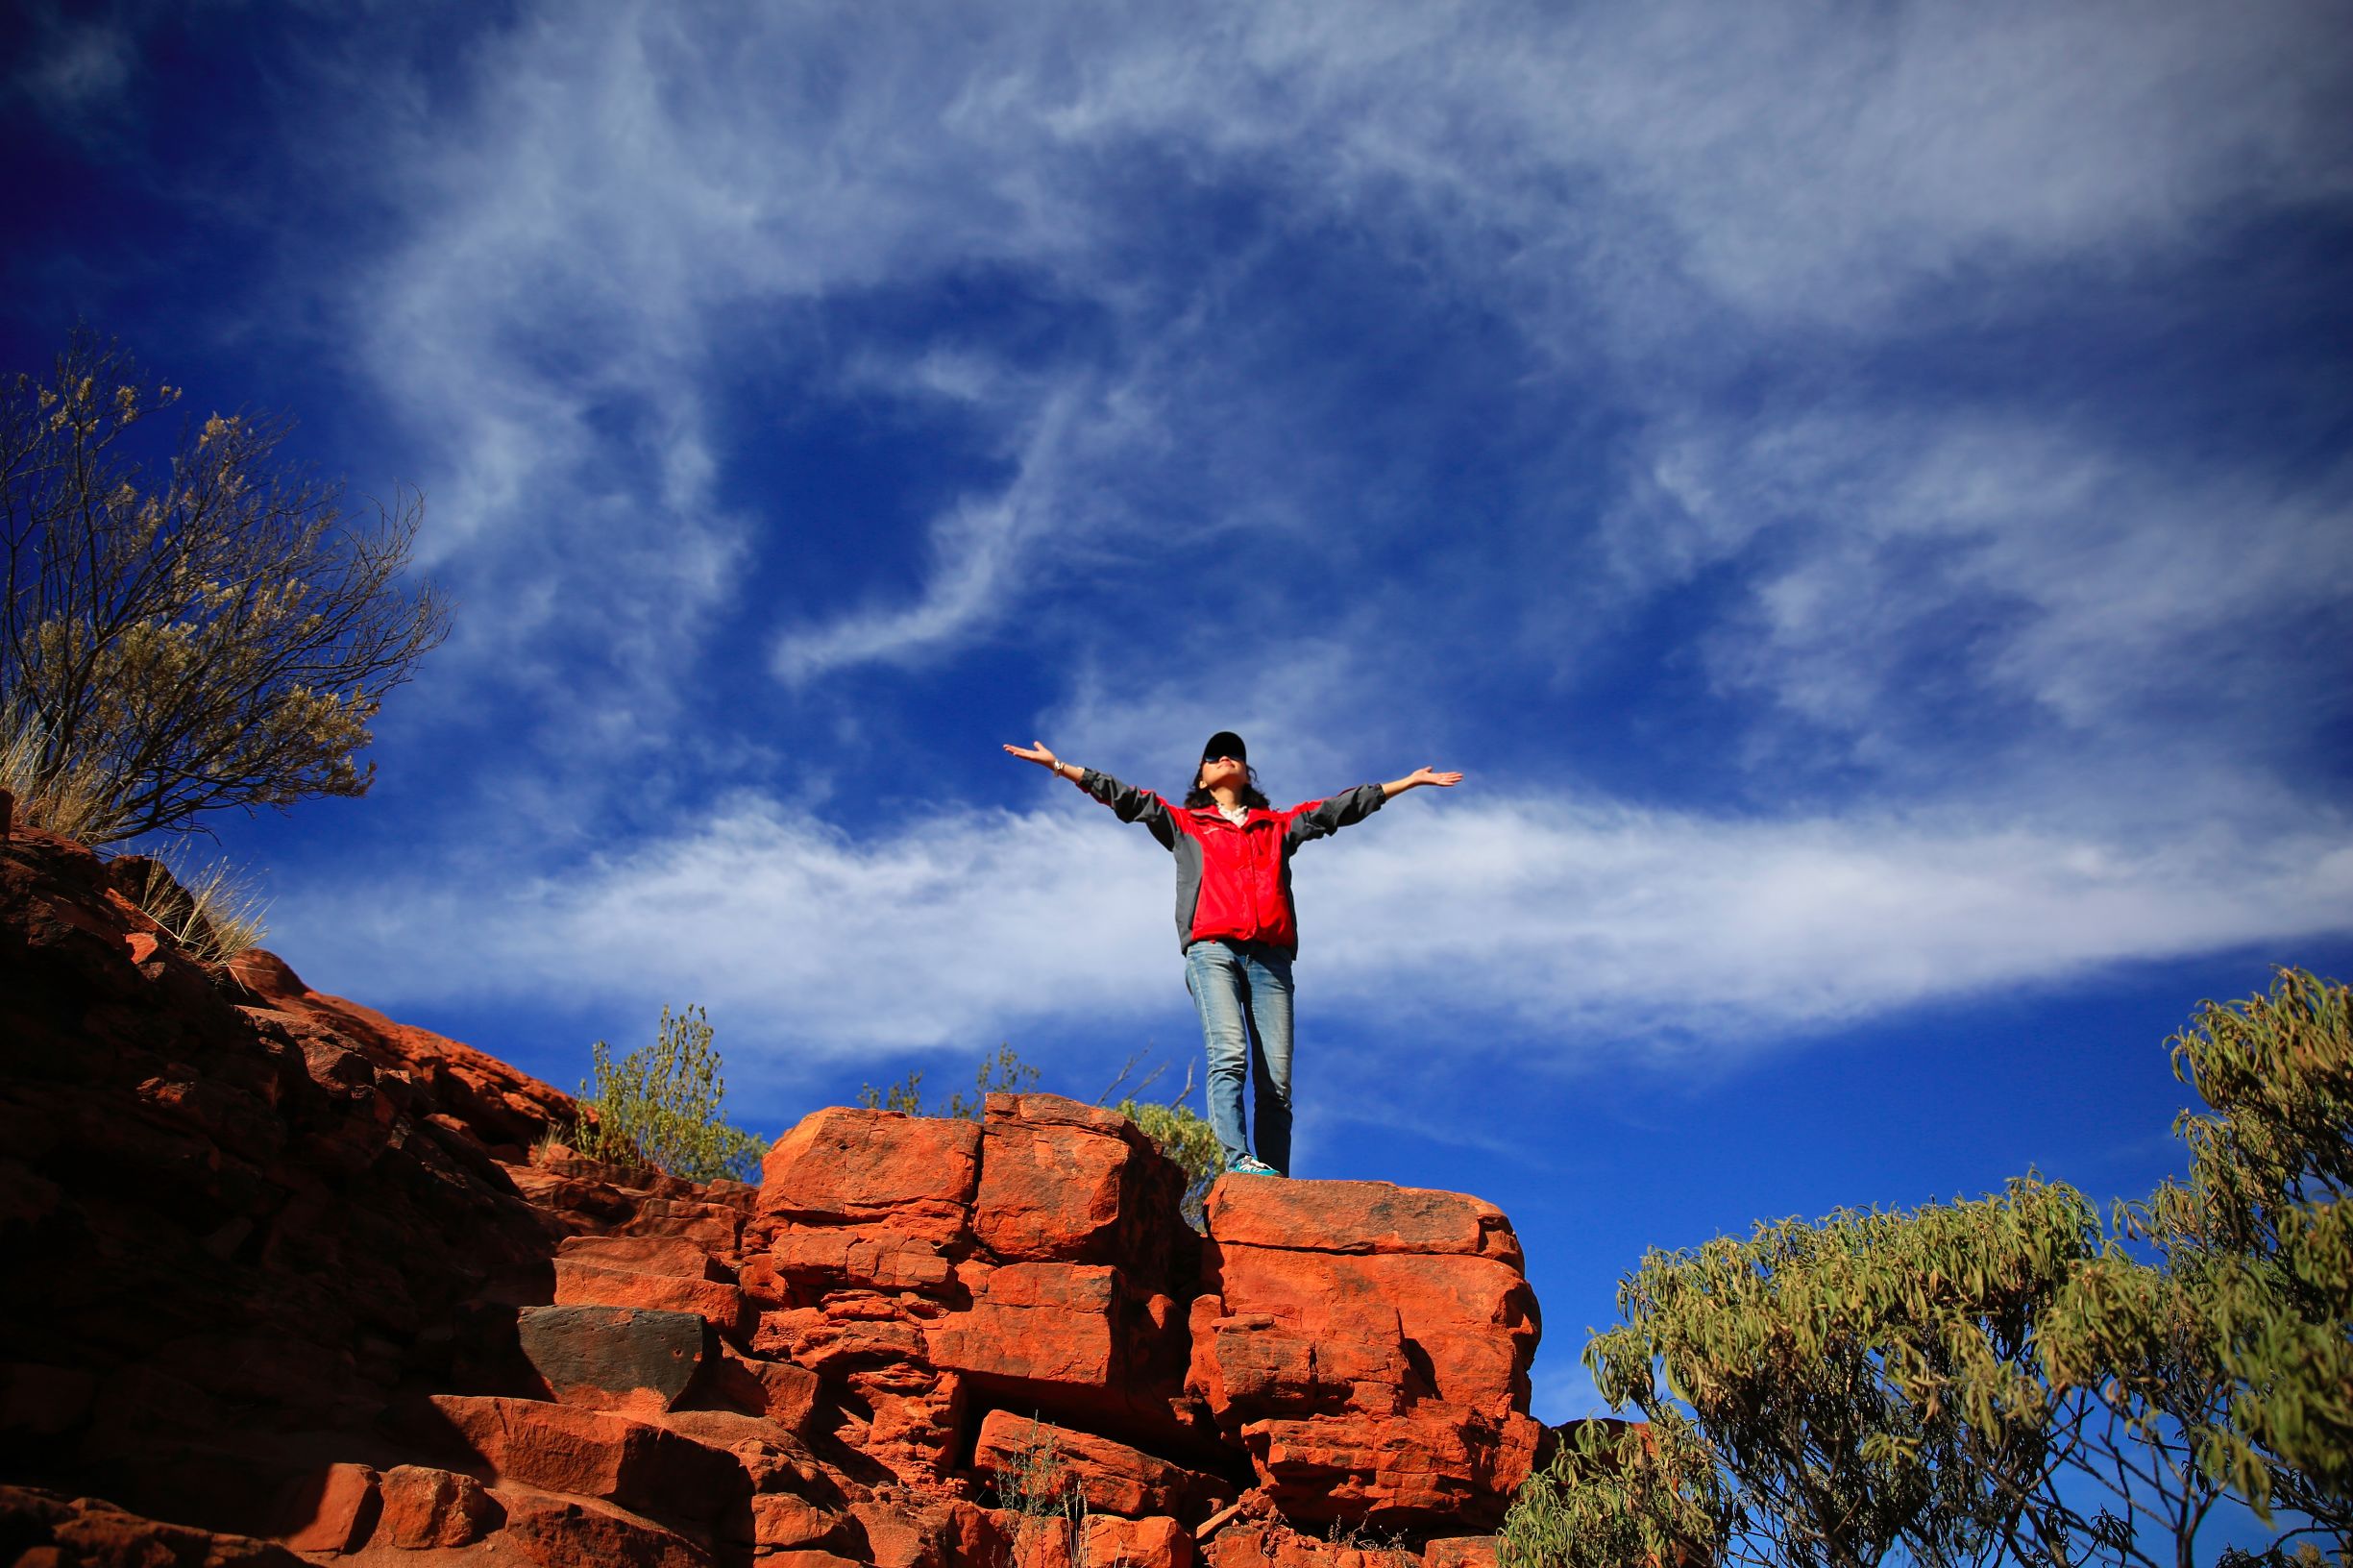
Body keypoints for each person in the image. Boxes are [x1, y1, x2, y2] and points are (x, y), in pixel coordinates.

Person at [1001, 730, 1461, 1176]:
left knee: (1276, 1082)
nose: (1225, 758)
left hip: (1271, 961)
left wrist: (1406, 783)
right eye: (1214, 756)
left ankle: (1274, 1183)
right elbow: (1128, 798)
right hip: (1212, 951)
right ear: (1202, 779)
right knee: (1230, 1056)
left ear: (1247, 772)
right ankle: (1238, 1161)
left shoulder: (1277, 826)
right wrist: (1060, 766)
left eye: (1234, 754)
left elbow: (1336, 809)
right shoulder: (1185, 823)